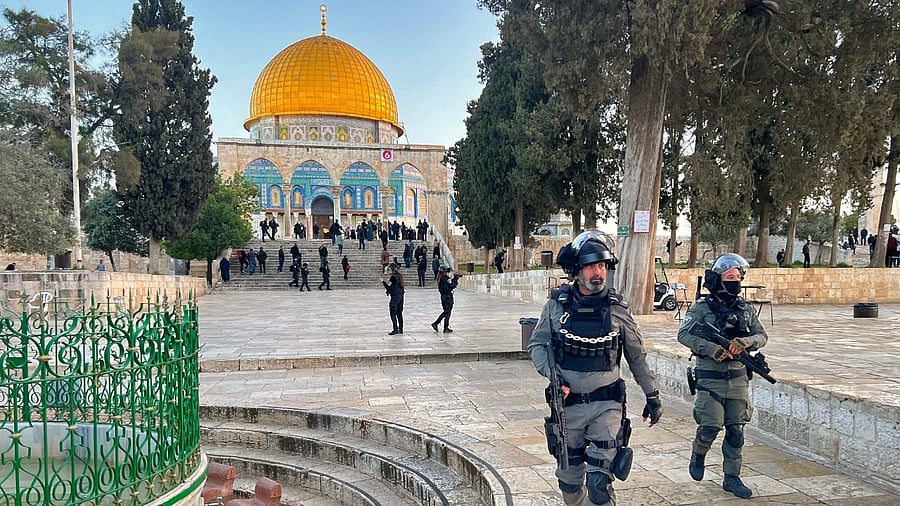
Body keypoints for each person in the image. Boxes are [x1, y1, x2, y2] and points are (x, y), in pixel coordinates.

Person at [528, 230, 662, 506]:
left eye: (601, 265)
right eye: (590, 266)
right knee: (569, 481)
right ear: (577, 271)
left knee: (599, 483)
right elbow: (537, 346)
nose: (597, 272)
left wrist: (652, 395)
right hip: (568, 407)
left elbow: (636, 357)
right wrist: (551, 375)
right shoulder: (556, 306)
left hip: (607, 404)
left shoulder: (617, 310)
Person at [677, 253, 768, 499]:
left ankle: (731, 477)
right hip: (710, 377)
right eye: (729, 277)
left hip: (738, 377)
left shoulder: (745, 309)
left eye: (738, 277)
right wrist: (711, 349)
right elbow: (684, 335)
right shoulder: (701, 307)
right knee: (710, 426)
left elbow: (762, 336)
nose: (735, 281)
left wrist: (745, 342)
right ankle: (699, 454)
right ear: (718, 279)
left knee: (736, 430)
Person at [431, 266, 459, 333]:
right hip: (448, 297)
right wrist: (455, 279)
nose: (447, 272)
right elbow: (452, 285)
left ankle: (445, 327)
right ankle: (436, 323)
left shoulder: (440, 278)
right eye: (446, 271)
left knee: (447, 312)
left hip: (444, 297)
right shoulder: (445, 278)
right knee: (447, 312)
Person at [382, 263, 405, 335]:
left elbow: (388, 287)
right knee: (399, 313)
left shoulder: (393, 277)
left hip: (395, 297)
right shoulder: (399, 276)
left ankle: (395, 329)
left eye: (389, 269)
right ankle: (401, 328)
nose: (388, 271)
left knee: (393, 313)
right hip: (401, 296)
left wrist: (383, 281)